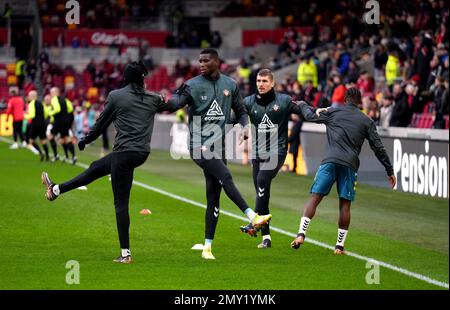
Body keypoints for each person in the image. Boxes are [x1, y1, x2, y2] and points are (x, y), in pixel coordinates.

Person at [41, 61, 180, 263]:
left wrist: (85, 140)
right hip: (140, 153)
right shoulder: (153, 98)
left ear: (125, 77)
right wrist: (185, 92)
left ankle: (126, 254)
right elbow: (173, 105)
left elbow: (101, 123)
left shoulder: (116, 96)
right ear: (142, 79)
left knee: (120, 204)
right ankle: (55, 190)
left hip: (124, 153)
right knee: (95, 168)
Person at [166, 49, 272, 260]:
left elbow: (241, 111)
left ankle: (207, 248)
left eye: (206, 60)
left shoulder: (230, 85)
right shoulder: (192, 85)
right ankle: (253, 216)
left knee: (214, 196)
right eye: (200, 61)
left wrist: (244, 127)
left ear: (217, 61)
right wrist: (163, 101)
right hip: (198, 145)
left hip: (219, 146)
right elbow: (175, 103)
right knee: (226, 177)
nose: (201, 64)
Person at [290, 88, 396, 254]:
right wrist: (389, 169)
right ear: (360, 102)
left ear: (345, 99)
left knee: (315, 198)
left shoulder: (333, 111)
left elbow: (310, 115)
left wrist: (302, 104)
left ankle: (301, 234)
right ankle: (339, 246)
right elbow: (378, 147)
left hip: (330, 161)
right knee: (345, 205)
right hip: (349, 165)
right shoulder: (366, 121)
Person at [239, 69, 306, 248]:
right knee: (263, 193)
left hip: (277, 151)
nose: (260, 84)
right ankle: (266, 239)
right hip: (257, 154)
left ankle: (253, 222)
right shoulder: (249, 101)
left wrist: (318, 114)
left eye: (264, 81)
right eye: (258, 81)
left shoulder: (283, 101)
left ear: (272, 83)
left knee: (262, 179)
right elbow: (238, 114)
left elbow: (302, 109)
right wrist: (243, 127)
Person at [47, 87, 76, 164]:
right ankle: (73, 156)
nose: (51, 94)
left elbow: (57, 109)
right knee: (65, 138)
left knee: (50, 136)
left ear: (55, 93)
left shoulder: (54, 99)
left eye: (51, 93)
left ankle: (56, 155)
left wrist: (50, 113)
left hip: (58, 121)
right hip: (66, 121)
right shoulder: (65, 100)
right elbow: (70, 109)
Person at [25, 90, 50, 161]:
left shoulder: (31, 103)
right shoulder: (41, 103)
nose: (28, 97)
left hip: (35, 124)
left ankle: (41, 153)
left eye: (29, 96)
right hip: (43, 123)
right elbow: (46, 113)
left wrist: (25, 116)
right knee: (43, 140)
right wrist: (42, 119)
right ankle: (47, 156)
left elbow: (32, 115)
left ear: (32, 96)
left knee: (31, 141)